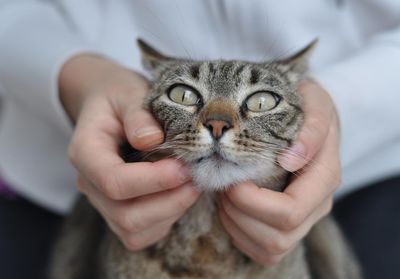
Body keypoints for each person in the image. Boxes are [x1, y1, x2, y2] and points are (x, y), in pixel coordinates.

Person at [0, 1, 399, 278]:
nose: (218, 124)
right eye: (183, 96)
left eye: (260, 102)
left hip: (371, 169)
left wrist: (344, 97)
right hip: (54, 168)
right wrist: (76, 77)